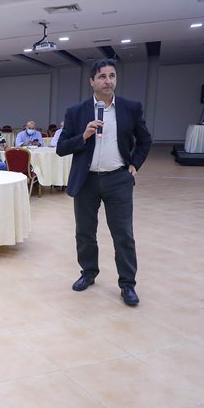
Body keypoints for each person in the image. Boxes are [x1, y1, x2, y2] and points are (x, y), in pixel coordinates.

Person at [57, 58, 152, 307]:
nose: (108, 81)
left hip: (118, 179)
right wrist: (83, 135)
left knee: (123, 234)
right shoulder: (76, 112)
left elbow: (145, 140)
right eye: (102, 76)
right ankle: (88, 273)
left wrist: (135, 164)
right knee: (85, 233)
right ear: (92, 82)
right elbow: (61, 147)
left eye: (112, 76)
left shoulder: (130, 108)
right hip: (86, 180)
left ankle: (127, 285)